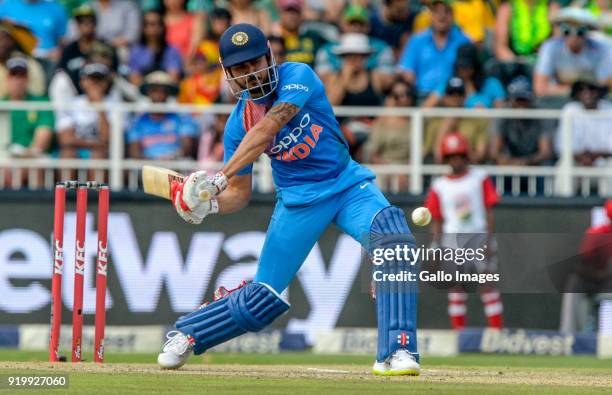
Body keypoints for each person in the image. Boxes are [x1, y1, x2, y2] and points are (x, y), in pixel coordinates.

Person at [156, 23, 421, 376]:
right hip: (298, 202)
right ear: (228, 74)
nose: (250, 73)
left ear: (268, 55)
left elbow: (271, 126)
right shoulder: (237, 124)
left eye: (254, 63)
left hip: (346, 185)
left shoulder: (298, 75)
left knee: (395, 241)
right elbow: (240, 195)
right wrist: (211, 204)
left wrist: (218, 178)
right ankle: (188, 333)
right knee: (262, 300)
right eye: (240, 69)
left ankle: (397, 352)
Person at [424, 132, 504, 330]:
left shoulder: (479, 177)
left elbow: (489, 211)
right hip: (452, 240)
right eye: (451, 156)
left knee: (487, 284)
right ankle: (458, 333)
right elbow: (436, 219)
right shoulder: (439, 185)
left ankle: (496, 332)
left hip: (478, 235)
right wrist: (435, 247)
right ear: (446, 158)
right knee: (456, 286)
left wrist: (488, 239)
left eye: (459, 155)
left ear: (466, 156)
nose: (456, 160)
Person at [397, 0, 470, 96]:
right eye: (437, 11)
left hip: (453, 97)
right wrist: (406, 75)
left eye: (446, 11)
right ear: (430, 14)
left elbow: (470, 74)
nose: (442, 16)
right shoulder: (417, 40)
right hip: (421, 95)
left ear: (453, 15)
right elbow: (405, 68)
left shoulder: (463, 41)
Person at [534, 8, 612, 97]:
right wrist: (577, 91)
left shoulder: (600, 49)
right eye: (567, 31)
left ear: (588, 32)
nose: (573, 36)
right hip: (559, 103)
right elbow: (540, 88)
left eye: (580, 32)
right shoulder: (550, 47)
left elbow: (604, 87)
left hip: (591, 104)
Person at [2, 57, 54, 188]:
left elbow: (40, 144)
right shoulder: (1, 105)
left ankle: (40, 207)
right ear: (7, 78)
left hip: (31, 159)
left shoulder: (41, 103)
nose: (18, 80)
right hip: (6, 160)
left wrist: (22, 159)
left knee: (35, 168)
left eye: (22, 76)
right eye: (14, 75)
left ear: (28, 79)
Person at [560, 199, 612, 333]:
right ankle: (569, 336)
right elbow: (582, 264)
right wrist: (600, 275)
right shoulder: (598, 233)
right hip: (598, 281)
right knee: (575, 283)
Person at [315, 5, 394, 90]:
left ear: (368, 26)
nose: (356, 28)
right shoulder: (326, 50)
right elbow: (322, 82)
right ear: (342, 25)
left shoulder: (382, 48)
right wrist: (346, 74)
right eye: (352, 23)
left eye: (361, 24)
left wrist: (363, 73)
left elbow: (388, 81)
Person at [128, 71, 198, 160]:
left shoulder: (181, 118)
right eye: (154, 90)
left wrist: (170, 159)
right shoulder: (138, 122)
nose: (158, 95)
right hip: (147, 170)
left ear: (168, 93)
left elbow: (187, 147)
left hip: (175, 169)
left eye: (163, 91)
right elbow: (134, 152)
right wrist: (154, 164)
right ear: (148, 93)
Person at [56, 63, 115, 163]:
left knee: (98, 156)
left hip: (103, 154)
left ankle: (94, 180)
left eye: (99, 80)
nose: (95, 83)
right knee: (67, 155)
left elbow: (109, 138)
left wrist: (100, 107)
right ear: (82, 82)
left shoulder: (115, 105)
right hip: (78, 151)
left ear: (106, 83)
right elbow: (65, 139)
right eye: (91, 79)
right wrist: (97, 145)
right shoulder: (72, 104)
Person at [490, 76, 554, 166]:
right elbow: (494, 151)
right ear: (511, 100)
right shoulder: (503, 113)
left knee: (547, 165)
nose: (521, 104)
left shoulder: (542, 114)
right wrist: (508, 162)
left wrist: (526, 162)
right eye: (517, 100)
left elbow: (546, 152)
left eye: (524, 100)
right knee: (493, 165)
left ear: (531, 99)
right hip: (510, 163)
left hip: (534, 164)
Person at [423, 77, 490, 163]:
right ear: (444, 97)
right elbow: (434, 155)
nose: (456, 98)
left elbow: (480, 155)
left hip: (469, 169)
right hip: (442, 170)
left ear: (465, 97)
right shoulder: (434, 121)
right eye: (451, 94)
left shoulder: (477, 120)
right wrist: (446, 128)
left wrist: (464, 149)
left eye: (460, 94)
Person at [368, 78, 416, 192]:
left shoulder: (416, 120)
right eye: (396, 95)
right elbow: (373, 154)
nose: (401, 99)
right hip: (384, 167)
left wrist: (404, 170)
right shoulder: (382, 121)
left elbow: (418, 154)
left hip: (407, 168)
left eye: (405, 94)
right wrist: (389, 170)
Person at [423, 43, 506, 108]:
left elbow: (500, 115)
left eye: (468, 66)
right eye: (461, 66)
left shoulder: (492, 84)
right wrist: (444, 101)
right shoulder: (449, 85)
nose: (463, 70)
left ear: (475, 66)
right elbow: (426, 108)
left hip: (484, 127)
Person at [128, 9, 183, 86]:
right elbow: (134, 78)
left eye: (158, 24)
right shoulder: (136, 51)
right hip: (143, 93)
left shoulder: (172, 50)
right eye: (151, 24)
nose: (155, 28)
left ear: (163, 27)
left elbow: (173, 78)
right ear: (143, 28)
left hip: (166, 92)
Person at [0, 0, 68, 62]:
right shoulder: (6, 5)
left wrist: (59, 53)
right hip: (14, 57)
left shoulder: (56, 8)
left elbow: (62, 41)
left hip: (47, 59)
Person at [0, 19, 46, 98]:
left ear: (13, 41)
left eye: (4, 38)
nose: (1, 43)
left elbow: (37, 95)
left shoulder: (29, 65)